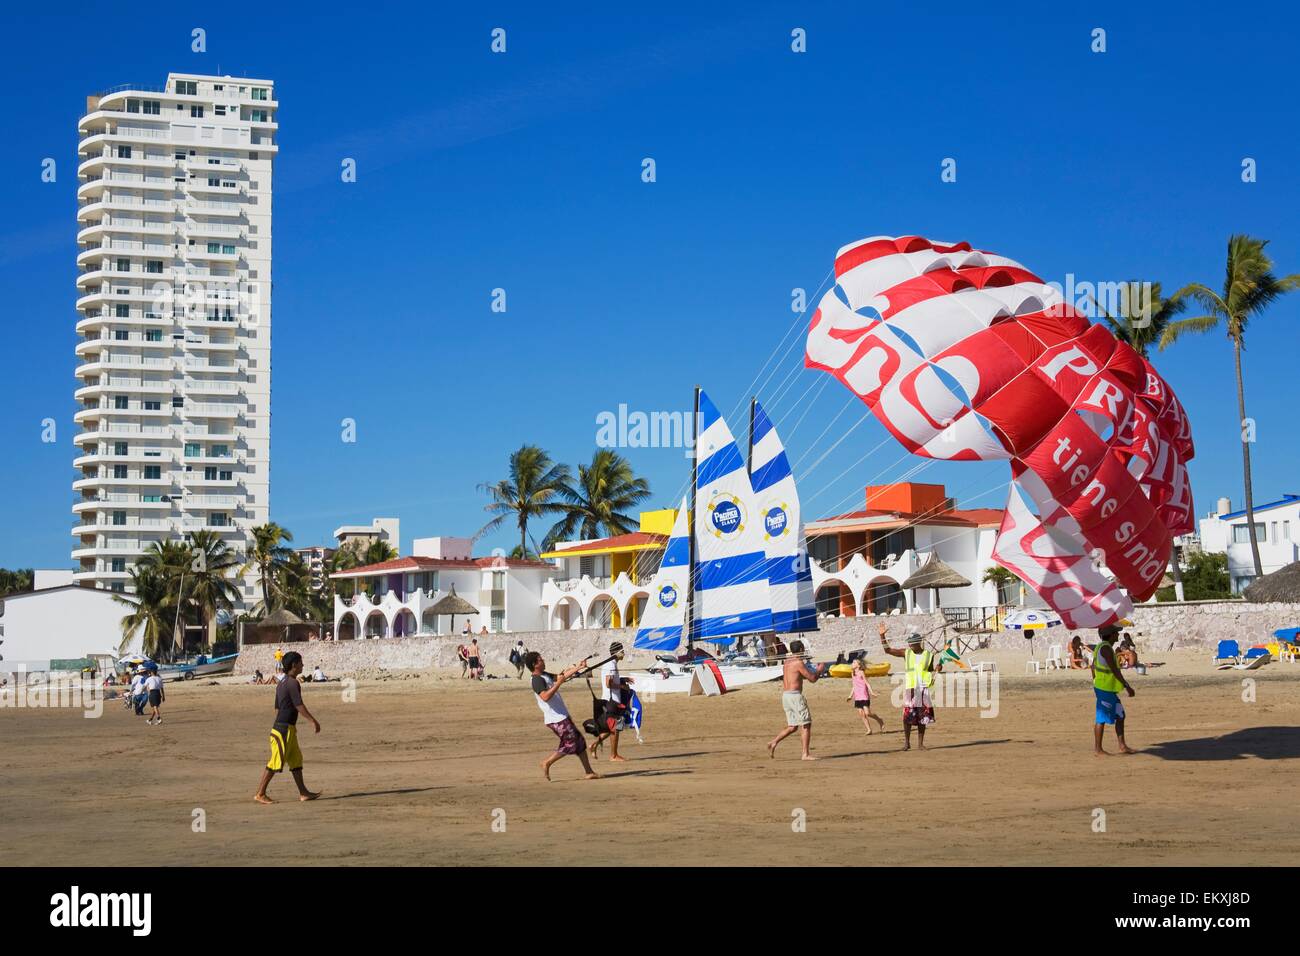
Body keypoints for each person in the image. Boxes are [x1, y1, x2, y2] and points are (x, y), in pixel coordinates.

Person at [254, 651, 322, 803]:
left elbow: (277, 708)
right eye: (300, 662)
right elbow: (299, 705)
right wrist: (313, 721)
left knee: (296, 760)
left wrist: (290, 726)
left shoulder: (282, 683)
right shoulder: (292, 683)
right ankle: (260, 793)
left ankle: (303, 792)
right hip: (282, 730)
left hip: (286, 728)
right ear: (294, 665)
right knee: (276, 761)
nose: (302, 665)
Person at [527, 650, 599, 781]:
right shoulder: (536, 680)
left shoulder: (544, 675)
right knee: (571, 743)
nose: (543, 661)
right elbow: (545, 697)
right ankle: (547, 762)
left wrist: (579, 667)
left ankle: (589, 772)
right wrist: (558, 683)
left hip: (561, 716)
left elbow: (563, 676)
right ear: (534, 664)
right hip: (555, 719)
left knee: (580, 742)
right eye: (540, 659)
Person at [879, 623, 938, 751]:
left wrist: (938, 669)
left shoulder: (929, 655)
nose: (909, 645)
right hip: (911, 689)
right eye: (909, 643)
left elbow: (931, 670)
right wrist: (882, 635)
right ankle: (907, 743)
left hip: (923, 689)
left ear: (919, 643)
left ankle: (920, 744)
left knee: (923, 717)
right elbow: (887, 650)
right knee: (907, 717)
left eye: (912, 643)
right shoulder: (906, 653)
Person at [767, 640, 826, 760]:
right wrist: (820, 669)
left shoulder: (787, 662)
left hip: (786, 696)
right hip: (795, 696)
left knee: (793, 726)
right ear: (800, 650)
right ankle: (805, 754)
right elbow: (812, 679)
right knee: (806, 724)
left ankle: (774, 742)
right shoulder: (798, 662)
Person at [1092, 623, 1136, 756]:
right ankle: (1098, 749)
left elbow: (1092, 666)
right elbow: (1115, 670)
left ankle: (1122, 746)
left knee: (1121, 715)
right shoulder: (1105, 649)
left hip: (1108, 689)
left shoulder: (1104, 647)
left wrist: (1094, 680)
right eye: (1116, 633)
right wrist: (1127, 686)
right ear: (1110, 635)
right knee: (1101, 719)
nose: (1117, 635)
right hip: (1105, 689)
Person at [589, 641, 628, 762]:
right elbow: (608, 683)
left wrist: (623, 679)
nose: (623, 653)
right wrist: (622, 687)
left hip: (613, 700)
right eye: (622, 651)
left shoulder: (611, 664)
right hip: (611, 701)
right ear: (616, 652)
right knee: (615, 728)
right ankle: (613, 755)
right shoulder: (610, 664)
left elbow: (612, 680)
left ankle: (594, 745)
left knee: (614, 728)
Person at [847, 657, 885, 735]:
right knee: (862, 714)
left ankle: (879, 720)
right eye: (852, 662)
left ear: (859, 665)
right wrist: (850, 695)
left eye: (854, 662)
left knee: (867, 713)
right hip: (857, 697)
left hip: (864, 695)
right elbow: (854, 686)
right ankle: (869, 730)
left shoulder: (861, 672)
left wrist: (872, 692)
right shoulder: (852, 673)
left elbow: (867, 683)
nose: (852, 664)